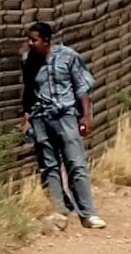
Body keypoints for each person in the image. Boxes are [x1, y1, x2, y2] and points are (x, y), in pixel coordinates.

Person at [21, 22, 106, 230]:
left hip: (66, 115)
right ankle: (59, 210)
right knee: (48, 165)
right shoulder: (28, 61)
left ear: (47, 40)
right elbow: (28, 92)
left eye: (34, 40)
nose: (30, 44)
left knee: (75, 163)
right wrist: (27, 118)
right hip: (41, 117)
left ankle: (88, 213)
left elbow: (81, 88)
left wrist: (85, 116)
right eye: (29, 40)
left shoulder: (68, 57)